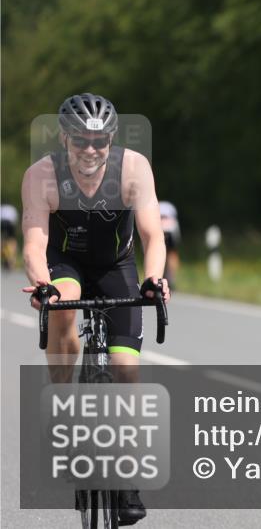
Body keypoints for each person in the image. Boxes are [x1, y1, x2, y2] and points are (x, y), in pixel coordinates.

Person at [20, 93, 171, 526]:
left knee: (127, 371)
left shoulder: (134, 168)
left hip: (116, 265)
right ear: (64, 138)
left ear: (111, 139)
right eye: (81, 140)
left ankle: (125, 483)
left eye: (99, 141)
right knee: (64, 305)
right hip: (64, 263)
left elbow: (153, 235)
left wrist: (155, 278)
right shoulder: (42, 176)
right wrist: (42, 281)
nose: (90, 150)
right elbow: (34, 240)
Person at [159, 200, 181, 288]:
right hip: (171, 229)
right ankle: (172, 278)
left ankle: (157, 277)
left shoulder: (155, 204)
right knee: (172, 253)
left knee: (154, 250)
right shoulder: (170, 206)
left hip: (159, 228)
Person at [1, 203, 18, 269]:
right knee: (12, 241)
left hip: (2, 223)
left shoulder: (2, 207)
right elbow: (15, 219)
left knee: (3, 240)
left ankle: (4, 252)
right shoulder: (12, 207)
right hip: (10, 224)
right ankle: (12, 260)